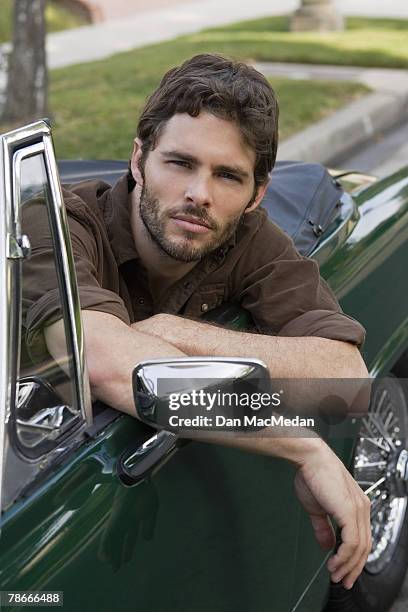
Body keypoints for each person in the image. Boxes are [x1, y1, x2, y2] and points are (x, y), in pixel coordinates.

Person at [24, 53, 371, 591]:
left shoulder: (249, 237)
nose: (200, 194)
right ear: (139, 160)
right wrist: (302, 444)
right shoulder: (53, 223)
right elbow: (111, 364)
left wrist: (177, 332)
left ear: (257, 194)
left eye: (228, 175)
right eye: (179, 163)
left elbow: (346, 378)